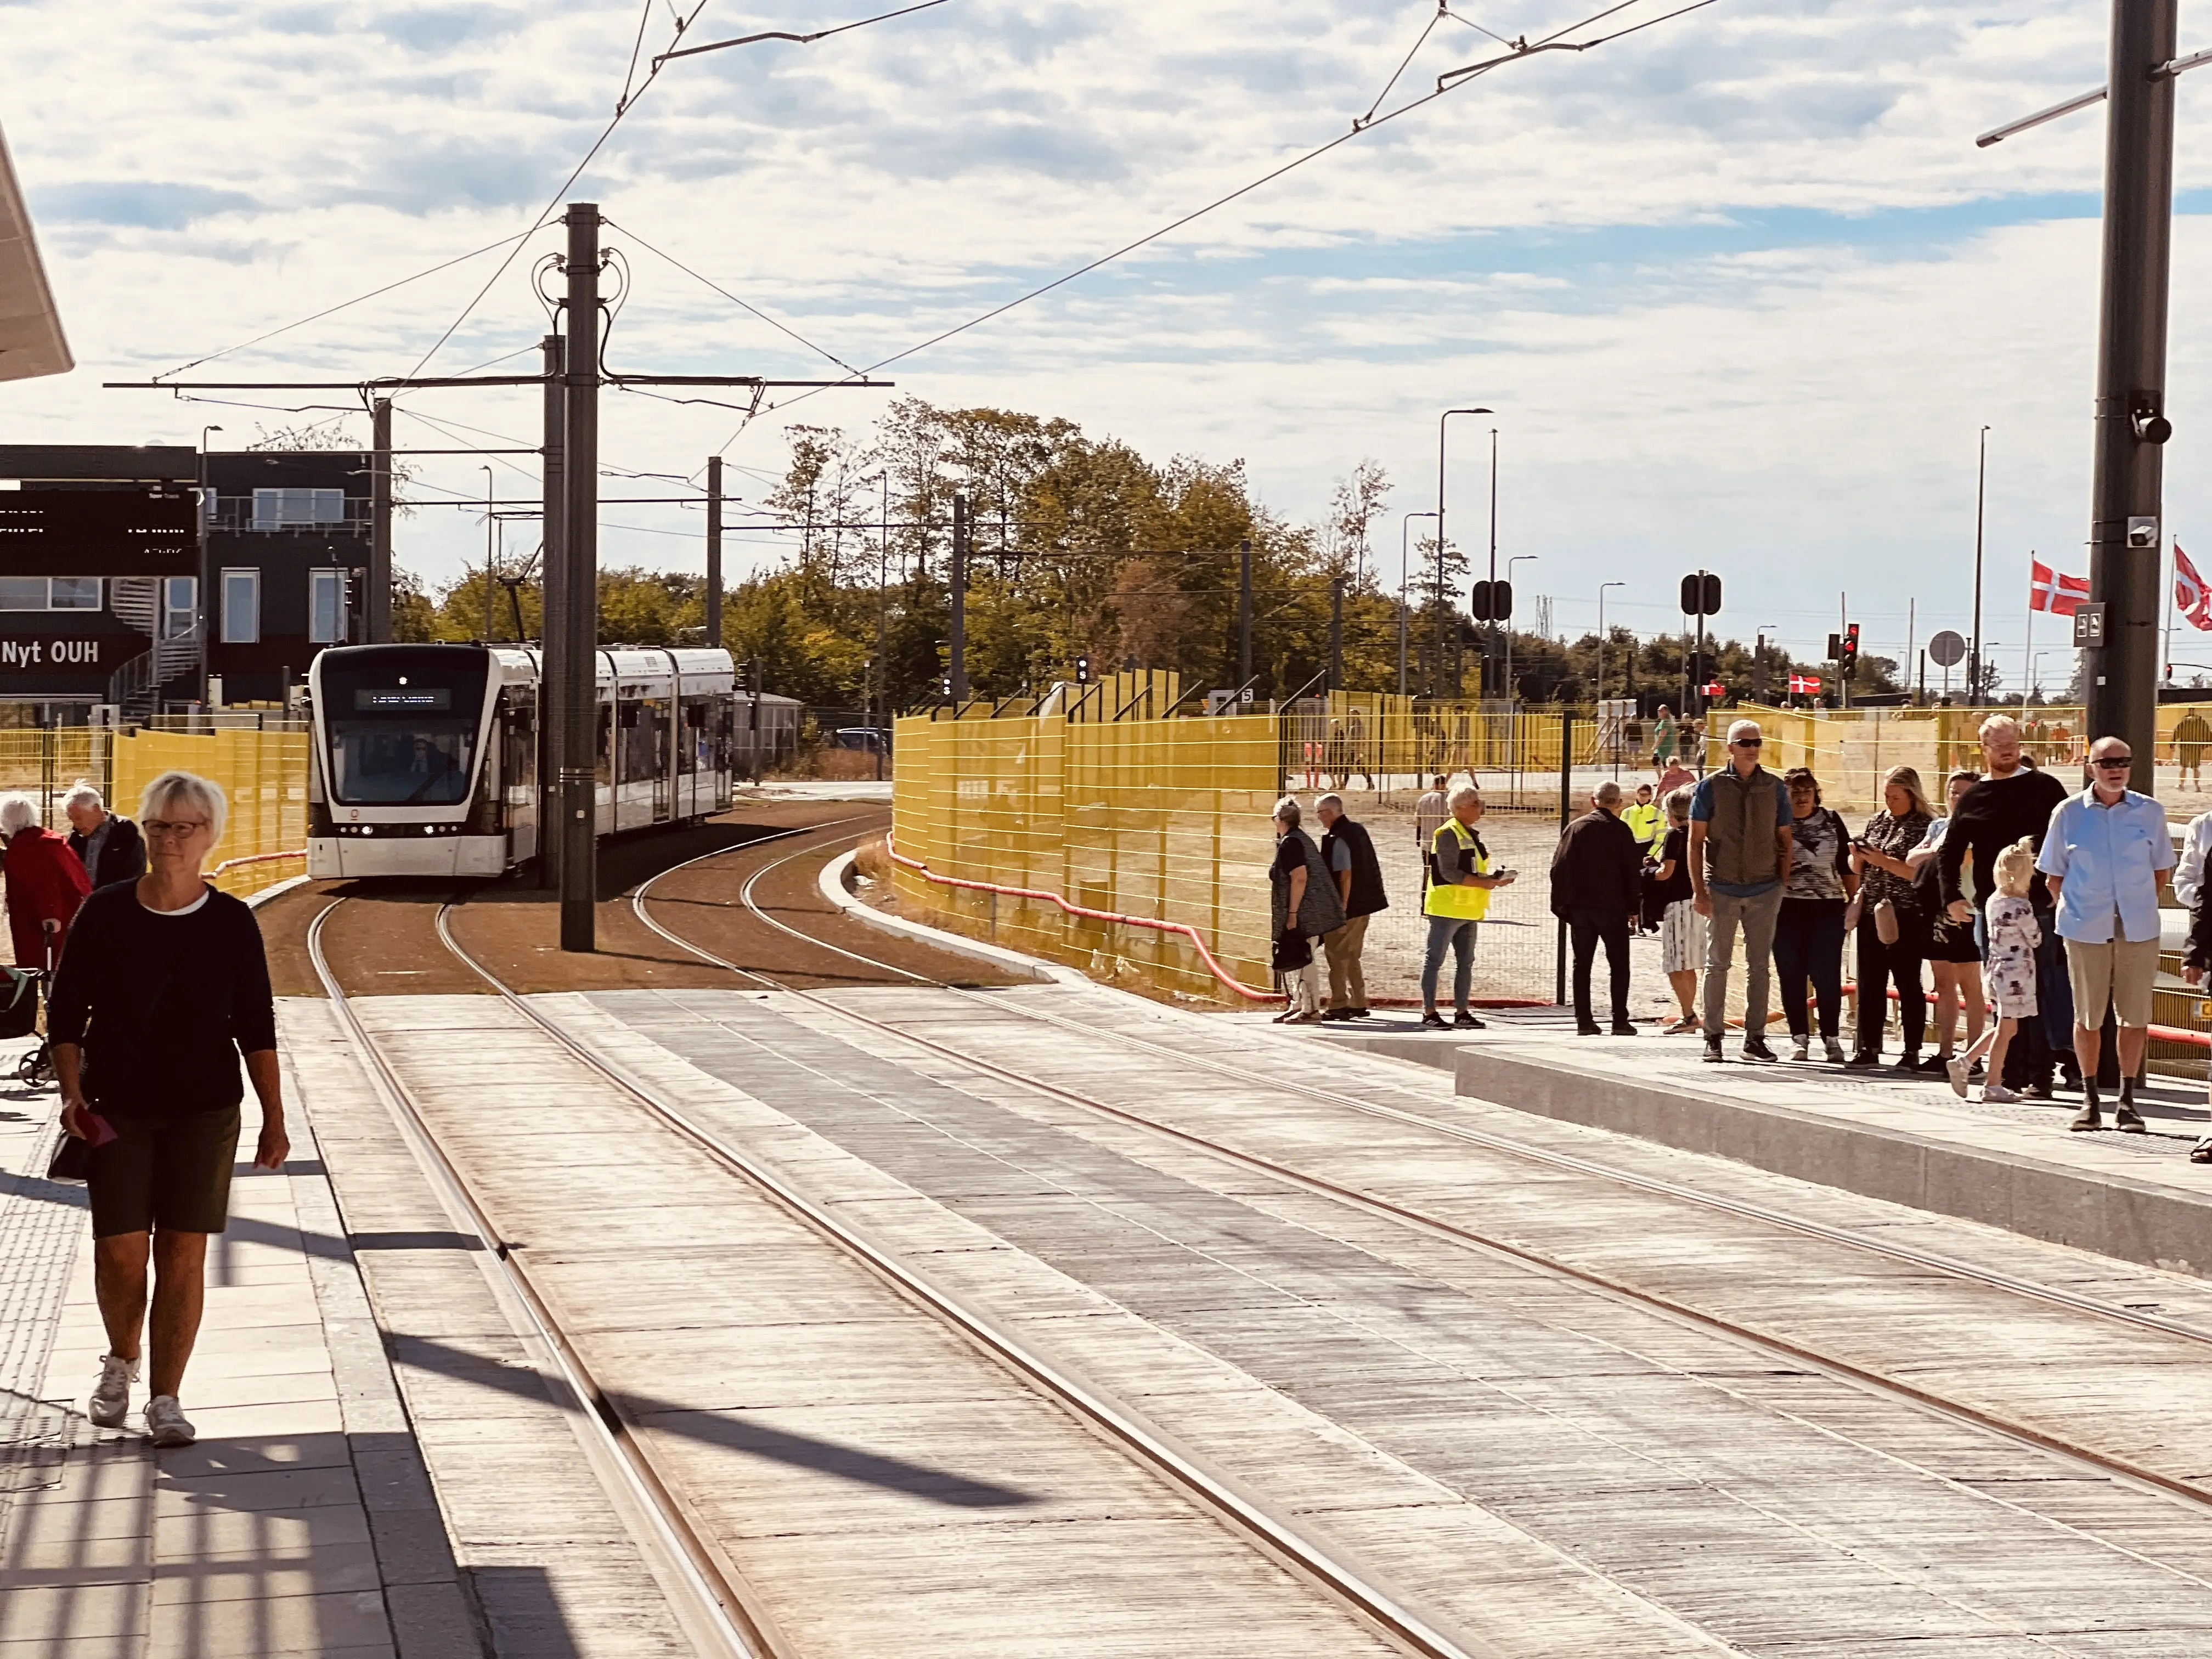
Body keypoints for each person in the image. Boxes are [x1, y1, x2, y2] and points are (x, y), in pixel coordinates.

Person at [50, 770, 287, 1448]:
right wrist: (72, 1091)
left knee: (184, 1253)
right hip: (117, 1106)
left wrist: (274, 1118)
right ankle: (121, 1362)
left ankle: (166, 1398)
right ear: (145, 830)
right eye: (159, 826)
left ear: (209, 836)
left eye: (184, 827)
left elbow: (257, 1024)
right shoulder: (108, 911)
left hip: (205, 1110)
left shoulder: (232, 921)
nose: (170, 839)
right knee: (121, 1252)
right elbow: (67, 1011)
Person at [2038, 736, 2175, 1131]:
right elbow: (2054, 875)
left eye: (2123, 762)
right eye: (2107, 762)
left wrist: (2135, 905)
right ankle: (2090, 1099)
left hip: (2138, 927)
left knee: (2134, 1018)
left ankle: (2128, 1101)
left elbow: (2161, 871)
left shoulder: (2150, 812)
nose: (2116, 769)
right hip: (2085, 927)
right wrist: (2083, 909)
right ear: (2090, 767)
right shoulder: (2067, 813)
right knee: (2088, 1017)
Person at [1938, 715, 2072, 1097]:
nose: (2008, 749)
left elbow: (2068, 839)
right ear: (1984, 750)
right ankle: (2007, 1074)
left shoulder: (2046, 788)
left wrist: (2061, 886)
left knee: (2042, 988)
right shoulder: (1973, 797)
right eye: (1999, 745)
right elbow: (1950, 850)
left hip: (2041, 905)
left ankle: (2042, 1073)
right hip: (1993, 911)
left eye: (2013, 741)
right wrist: (1951, 897)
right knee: (2004, 992)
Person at [1688, 718, 1793, 1064]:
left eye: (1756, 742)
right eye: (1745, 742)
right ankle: (1713, 1036)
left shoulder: (1775, 788)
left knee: (1760, 967)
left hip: (1765, 889)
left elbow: (1785, 839)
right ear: (1730, 747)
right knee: (1717, 965)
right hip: (1722, 888)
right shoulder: (1710, 787)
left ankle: (1755, 1038)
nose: (1752, 748)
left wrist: (1782, 881)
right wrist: (1699, 891)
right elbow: (1695, 842)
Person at [1847, 766, 1936, 1071]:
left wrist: (1884, 861)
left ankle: (1912, 1048)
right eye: (1886, 796)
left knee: (1908, 982)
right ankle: (1869, 1046)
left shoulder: (1925, 827)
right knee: (1870, 982)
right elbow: (1858, 869)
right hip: (1873, 911)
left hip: (1907, 913)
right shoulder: (1877, 822)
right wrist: (1858, 857)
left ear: (1911, 794)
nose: (1889, 802)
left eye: (1895, 797)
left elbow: (1917, 873)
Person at [1771, 767, 1856, 1064]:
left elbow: (1846, 865)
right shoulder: (1775, 822)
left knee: (1826, 974)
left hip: (1828, 906)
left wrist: (1854, 902)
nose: (1802, 796)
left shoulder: (1831, 821)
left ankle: (1831, 1038)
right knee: (1791, 974)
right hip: (1785, 908)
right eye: (1795, 791)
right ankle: (1799, 1038)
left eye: (1807, 790)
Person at [1950, 838, 2041, 1104]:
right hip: (2017, 974)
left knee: (2006, 1027)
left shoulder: (1993, 900)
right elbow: (2035, 937)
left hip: (1997, 969)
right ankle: (1992, 1083)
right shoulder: (2021, 906)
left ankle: (1967, 1061)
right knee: (2007, 1029)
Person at [1550, 780, 1644, 1036]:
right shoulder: (1621, 830)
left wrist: (1563, 907)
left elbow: (1559, 868)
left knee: (1582, 964)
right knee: (1619, 964)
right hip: (1612, 908)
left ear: (1594, 801)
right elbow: (1631, 872)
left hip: (1581, 909)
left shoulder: (1575, 828)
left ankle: (1584, 1020)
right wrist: (1633, 907)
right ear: (1619, 803)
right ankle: (1620, 1020)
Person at [1910, 770, 1987, 1075]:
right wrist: (1936, 850)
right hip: (1938, 910)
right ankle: (1945, 1053)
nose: (1957, 798)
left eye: (1964, 792)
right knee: (1943, 985)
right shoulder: (1938, 826)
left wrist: (1941, 852)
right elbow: (1912, 859)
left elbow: (1965, 859)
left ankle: (1974, 1056)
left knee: (1971, 985)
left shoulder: (1982, 828)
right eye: (1953, 792)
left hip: (1970, 910)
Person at [1421, 783, 1514, 1030]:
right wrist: (1487, 883)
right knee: (1435, 961)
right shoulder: (1447, 833)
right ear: (1460, 807)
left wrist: (1493, 879)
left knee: (1466, 962)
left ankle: (1462, 1011)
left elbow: (1472, 868)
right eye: (1475, 804)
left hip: (1468, 909)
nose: (1480, 808)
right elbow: (1449, 873)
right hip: (1447, 908)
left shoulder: (1469, 833)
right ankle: (1430, 1011)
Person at [1268, 797, 1344, 1025]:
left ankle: (1311, 1009)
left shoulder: (1293, 843)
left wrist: (1292, 914)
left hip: (1304, 913)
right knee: (1298, 956)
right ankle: (1299, 1003)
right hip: (1307, 911)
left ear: (1281, 819)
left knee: (1304, 958)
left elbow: (1299, 878)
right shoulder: (1297, 840)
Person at [1, 793, 92, 972]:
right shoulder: (52, 840)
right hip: (73, 913)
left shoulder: (25, 848)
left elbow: (46, 885)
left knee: (44, 966)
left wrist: (50, 914)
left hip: (39, 922)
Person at [1316, 793, 1387, 1021]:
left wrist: (1342, 907)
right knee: (1352, 955)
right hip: (1365, 905)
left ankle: (1339, 1004)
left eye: (1320, 813)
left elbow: (1345, 875)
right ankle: (1358, 1001)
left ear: (1330, 813)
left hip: (1348, 907)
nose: (1319, 818)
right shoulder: (1358, 831)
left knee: (1336, 955)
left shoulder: (1338, 837)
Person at [1649, 785, 1702, 1033]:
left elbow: (1665, 873)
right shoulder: (1701, 832)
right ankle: (1690, 1013)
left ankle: (1689, 1014)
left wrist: (1646, 873)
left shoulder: (1675, 835)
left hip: (1679, 904)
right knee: (1690, 962)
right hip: (1699, 902)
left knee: (1675, 963)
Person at [63, 782, 147, 889]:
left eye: (78, 818)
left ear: (96, 809)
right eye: (72, 819)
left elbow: (135, 876)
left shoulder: (125, 832)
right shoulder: (76, 838)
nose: (76, 825)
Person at [1414, 775, 1451, 856]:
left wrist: (1418, 838)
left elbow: (1419, 821)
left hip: (1426, 841)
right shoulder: (1447, 799)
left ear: (1434, 785)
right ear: (1444, 785)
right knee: (1439, 867)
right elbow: (1448, 821)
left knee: (1426, 866)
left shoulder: (1423, 799)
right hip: (1442, 843)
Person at [2178, 708, 2212, 791]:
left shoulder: (2184, 722)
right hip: (2196, 748)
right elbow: (2208, 733)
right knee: (2195, 768)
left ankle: (2182, 785)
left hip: (2185, 747)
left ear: (2189, 711)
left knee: (2184, 767)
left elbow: (2177, 732)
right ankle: (2197, 786)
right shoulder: (2201, 722)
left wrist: (2172, 743)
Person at [1651, 704, 1678, 774]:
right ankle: (1663, 779)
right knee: (1658, 762)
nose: (1658, 712)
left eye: (1660, 711)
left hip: (1663, 747)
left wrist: (1655, 746)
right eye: (1658, 711)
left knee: (1662, 763)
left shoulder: (1665, 723)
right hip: (1662, 746)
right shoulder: (1665, 722)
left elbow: (1662, 735)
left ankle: (1666, 779)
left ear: (1665, 712)